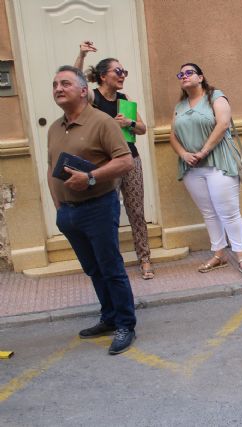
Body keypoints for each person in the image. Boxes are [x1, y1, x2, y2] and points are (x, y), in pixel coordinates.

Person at [47, 65, 137, 354]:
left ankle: (125, 324)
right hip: (69, 213)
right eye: (55, 85)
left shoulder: (102, 122)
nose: (58, 89)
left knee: (111, 268)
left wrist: (91, 177)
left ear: (83, 90)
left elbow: (125, 162)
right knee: (93, 269)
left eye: (65, 84)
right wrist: (59, 207)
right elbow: (51, 170)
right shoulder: (54, 128)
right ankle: (109, 318)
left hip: (98, 206)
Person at [74, 41, 155, 280]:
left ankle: (145, 259)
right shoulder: (92, 98)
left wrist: (128, 123)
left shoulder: (124, 98)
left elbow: (142, 129)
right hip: (104, 164)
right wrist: (81, 54)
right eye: (118, 71)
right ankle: (111, 262)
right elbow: (76, 82)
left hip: (130, 160)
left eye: (124, 72)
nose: (123, 75)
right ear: (102, 76)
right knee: (107, 213)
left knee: (136, 211)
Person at [169, 63, 242, 279]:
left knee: (229, 212)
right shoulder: (180, 105)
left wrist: (203, 151)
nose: (184, 76)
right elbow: (172, 135)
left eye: (189, 72)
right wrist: (183, 154)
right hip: (192, 167)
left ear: (200, 77)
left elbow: (223, 124)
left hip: (219, 162)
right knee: (209, 213)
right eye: (181, 74)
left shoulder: (215, 97)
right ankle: (219, 254)